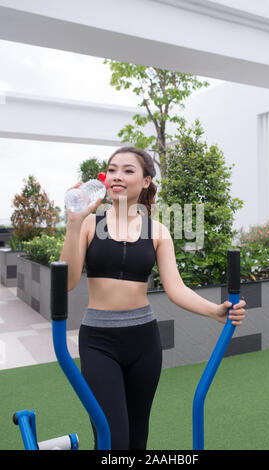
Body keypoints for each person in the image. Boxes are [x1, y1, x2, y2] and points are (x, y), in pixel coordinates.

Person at [59, 146, 246, 450]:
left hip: (144, 342)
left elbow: (176, 288)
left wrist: (215, 311)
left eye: (128, 170)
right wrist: (73, 222)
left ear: (146, 181)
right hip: (98, 342)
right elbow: (67, 281)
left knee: (137, 439)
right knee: (111, 440)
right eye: (113, 169)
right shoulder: (89, 224)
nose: (118, 176)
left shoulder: (157, 231)